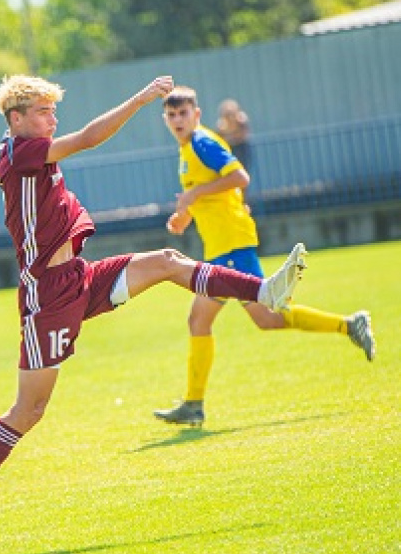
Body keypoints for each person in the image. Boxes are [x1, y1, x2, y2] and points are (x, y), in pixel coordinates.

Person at [0, 74, 308, 550]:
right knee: (29, 410)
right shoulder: (27, 150)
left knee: (167, 262)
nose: (54, 118)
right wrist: (141, 97)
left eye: (54, 110)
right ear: (18, 120)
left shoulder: (15, 151)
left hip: (78, 278)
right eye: (44, 112)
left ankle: (265, 292)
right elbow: (89, 139)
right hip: (47, 296)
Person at [154, 86, 375, 428]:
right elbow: (219, 189)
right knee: (255, 319)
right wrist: (187, 212)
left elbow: (240, 176)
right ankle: (348, 325)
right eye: (171, 115)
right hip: (223, 246)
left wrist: (196, 194)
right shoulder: (187, 149)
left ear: (196, 115)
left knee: (219, 319)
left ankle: (195, 404)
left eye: (183, 113)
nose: (178, 120)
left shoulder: (202, 142)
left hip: (230, 247)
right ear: (165, 119)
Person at [216, 98, 252, 172]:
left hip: (241, 147)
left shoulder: (241, 120)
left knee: (243, 169)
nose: (230, 116)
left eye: (231, 113)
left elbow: (244, 134)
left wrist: (231, 136)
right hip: (229, 149)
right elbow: (220, 139)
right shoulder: (221, 125)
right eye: (227, 114)